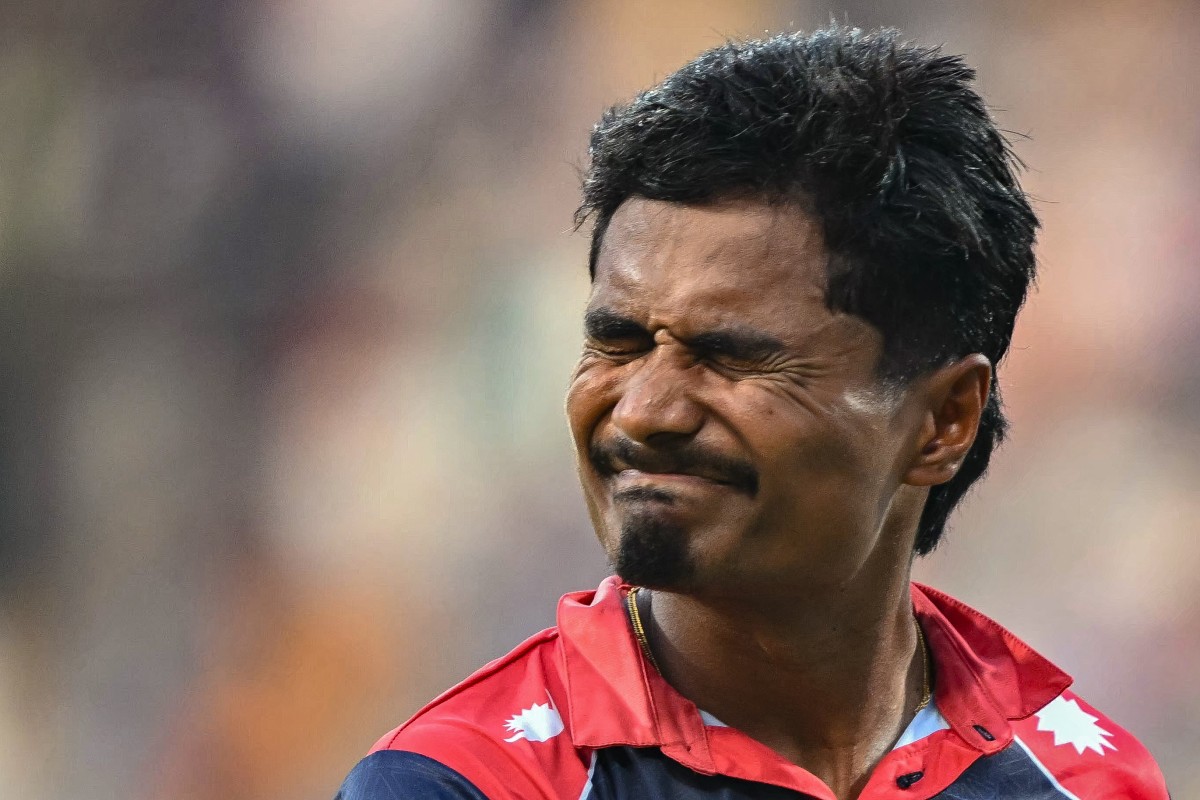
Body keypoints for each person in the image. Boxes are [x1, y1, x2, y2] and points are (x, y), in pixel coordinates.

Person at [335, 26, 1170, 800]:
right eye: (618, 343)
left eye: (733, 355)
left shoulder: (1086, 781)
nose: (645, 411)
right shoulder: (464, 783)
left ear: (944, 419)